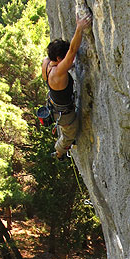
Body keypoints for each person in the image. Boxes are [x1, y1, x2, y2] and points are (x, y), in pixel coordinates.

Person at [42, 13, 92, 160]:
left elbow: (67, 54)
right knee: (69, 134)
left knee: (65, 129)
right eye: (64, 60)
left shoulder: (46, 63)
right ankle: (59, 152)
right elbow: (72, 51)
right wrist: (80, 27)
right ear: (58, 59)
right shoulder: (57, 73)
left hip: (55, 105)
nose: (68, 61)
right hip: (65, 114)